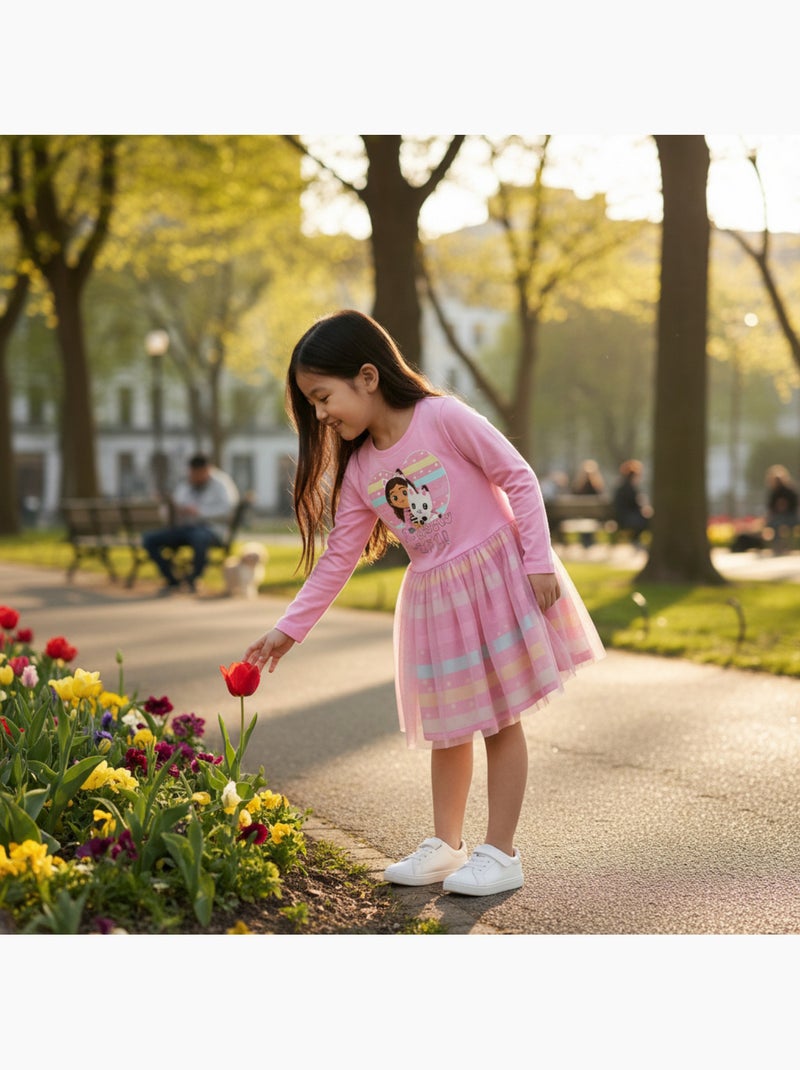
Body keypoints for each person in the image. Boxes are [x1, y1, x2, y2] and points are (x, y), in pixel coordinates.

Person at [242, 310, 604, 896]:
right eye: (311, 404)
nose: (320, 414)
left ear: (366, 377)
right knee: (449, 727)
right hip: (436, 602)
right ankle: (447, 845)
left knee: (501, 720)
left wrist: (537, 561)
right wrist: (288, 629)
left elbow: (519, 477)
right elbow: (339, 558)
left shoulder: (442, 417)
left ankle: (501, 852)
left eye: (322, 396)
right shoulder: (360, 469)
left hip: (494, 580)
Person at [143, 452, 239, 595]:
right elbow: (168, 510)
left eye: (198, 473)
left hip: (212, 530)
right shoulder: (185, 484)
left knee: (199, 537)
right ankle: (172, 580)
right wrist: (174, 511)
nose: (195, 477)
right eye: (193, 473)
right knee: (149, 539)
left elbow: (228, 509)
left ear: (207, 470)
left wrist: (199, 512)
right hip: (184, 528)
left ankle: (193, 579)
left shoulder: (221, 483)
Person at [612, 459, 653, 545]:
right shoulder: (629, 488)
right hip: (626, 518)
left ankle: (635, 539)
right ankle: (636, 540)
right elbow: (636, 504)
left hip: (621, 517)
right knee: (649, 520)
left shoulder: (621, 486)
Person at [571, 459, 606, 548]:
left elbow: (574, 496)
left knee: (584, 517)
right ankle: (589, 541)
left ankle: (585, 540)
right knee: (591, 517)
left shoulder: (578, 487)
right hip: (595, 516)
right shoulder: (597, 487)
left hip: (579, 515)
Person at [764, 464, 798, 553]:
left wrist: (785, 507)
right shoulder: (774, 493)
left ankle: (782, 546)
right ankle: (778, 547)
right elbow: (770, 508)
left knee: (777, 522)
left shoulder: (790, 491)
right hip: (778, 518)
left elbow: (795, 506)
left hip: (791, 517)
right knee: (775, 523)